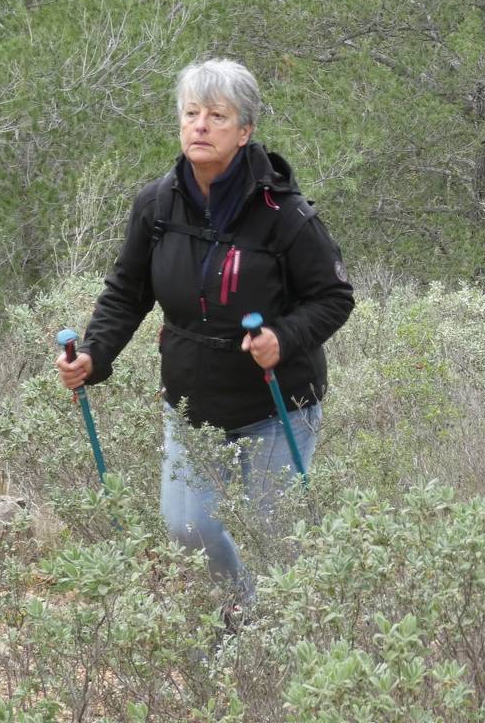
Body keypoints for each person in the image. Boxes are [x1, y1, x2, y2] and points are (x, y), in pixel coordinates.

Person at [55, 59, 354, 600]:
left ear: (245, 131)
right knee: (187, 529)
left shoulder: (284, 214)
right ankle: (244, 616)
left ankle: (286, 644)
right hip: (191, 405)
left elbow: (333, 297)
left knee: (277, 540)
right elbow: (127, 292)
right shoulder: (156, 205)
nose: (200, 125)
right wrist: (94, 355)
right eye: (191, 113)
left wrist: (281, 339)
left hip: (276, 402)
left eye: (217, 115)